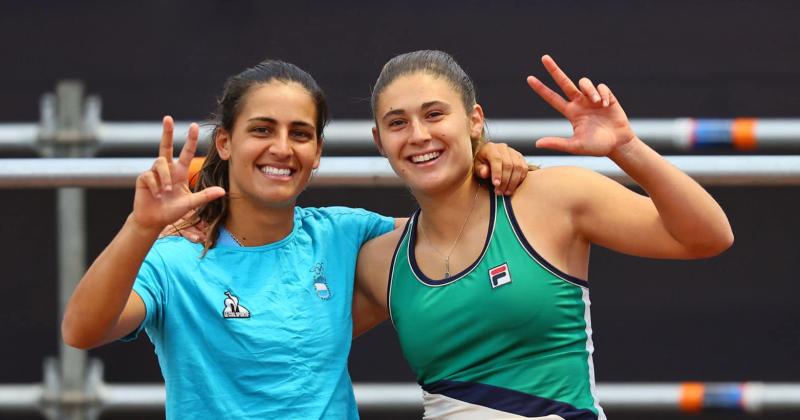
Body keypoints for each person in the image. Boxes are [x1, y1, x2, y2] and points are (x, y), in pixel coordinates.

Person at [61, 59, 530, 418]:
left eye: (300, 134)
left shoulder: (344, 232)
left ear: (318, 153)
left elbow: (457, 228)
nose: (282, 148)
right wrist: (140, 228)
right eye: (262, 130)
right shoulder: (174, 259)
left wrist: (481, 154)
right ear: (224, 143)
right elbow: (83, 331)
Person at [353, 50, 734, 420]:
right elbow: (300, 348)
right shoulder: (382, 260)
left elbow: (707, 236)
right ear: (379, 141)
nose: (419, 135)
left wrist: (626, 148)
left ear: (473, 120)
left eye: (434, 114)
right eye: (397, 123)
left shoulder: (548, 198)